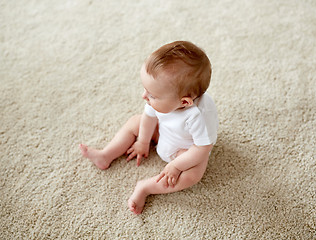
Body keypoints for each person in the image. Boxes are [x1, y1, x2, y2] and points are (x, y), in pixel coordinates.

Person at [79, 41, 218, 214]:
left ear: (184, 102)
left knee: (193, 175)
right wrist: (142, 142)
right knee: (135, 121)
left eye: (152, 95)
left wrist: (176, 166)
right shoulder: (159, 98)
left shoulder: (199, 115)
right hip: (163, 134)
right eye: (145, 89)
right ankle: (105, 155)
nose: (144, 96)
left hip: (184, 150)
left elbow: (202, 148)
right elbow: (149, 117)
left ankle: (146, 188)